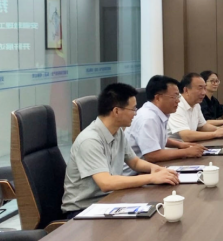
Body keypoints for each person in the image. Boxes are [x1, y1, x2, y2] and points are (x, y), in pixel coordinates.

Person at [61, 83, 179, 216]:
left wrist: (156, 169)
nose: (136, 113)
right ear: (116, 111)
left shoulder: (117, 132)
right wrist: (151, 178)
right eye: (133, 109)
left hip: (109, 200)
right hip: (82, 210)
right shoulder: (89, 140)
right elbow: (106, 183)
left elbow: (135, 162)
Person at [123, 75, 206, 175]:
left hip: (150, 168)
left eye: (178, 96)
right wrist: (187, 152)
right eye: (174, 96)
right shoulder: (148, 118)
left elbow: (158, 138)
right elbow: (152, 155)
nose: (178, 100)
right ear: (158, 98)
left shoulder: (158, 113)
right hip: (133, 175)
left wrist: (181, 145)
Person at [168, 72, 223, 142]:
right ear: (186, 90)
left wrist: (219, 129)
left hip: (189, 145)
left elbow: (202, 126)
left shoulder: (196, 104)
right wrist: (215, 134)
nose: (204, 92)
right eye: (200, 88)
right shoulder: (177, 105)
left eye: (205, 88)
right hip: (174, 147)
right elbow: (186, 136)